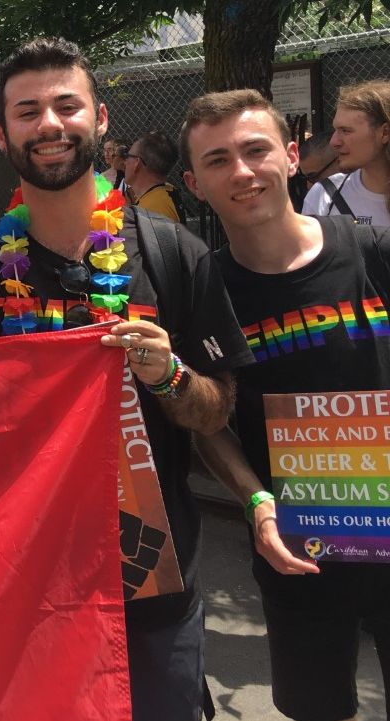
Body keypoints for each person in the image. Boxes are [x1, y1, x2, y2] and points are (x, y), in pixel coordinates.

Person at [0, 37, 253, 720]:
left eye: (66, 105)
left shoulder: (171, 253)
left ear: (99, 119)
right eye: (28, 110)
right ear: (2, 134)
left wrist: (171, 376)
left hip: (150, 581)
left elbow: (217, 411)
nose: (49, 124)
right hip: (16, 583)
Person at [181, 89, 390, 721]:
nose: (242, 172)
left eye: (255, 150)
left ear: (292, 156)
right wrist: (255, 502)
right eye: (218, 160)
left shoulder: (369, 252)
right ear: (194, 183)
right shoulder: (202, 293)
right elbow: (208, 421)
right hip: (297, 550)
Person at [303, 80, 390, 226]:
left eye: (346, 131)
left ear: (384, 132)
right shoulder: (324, 195)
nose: (334, 142)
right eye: (335, 130)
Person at [124, 131, 184, 223]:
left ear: (137, 163)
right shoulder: (163, 194)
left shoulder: (153, 208)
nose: (125, 162)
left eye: (128, 156)